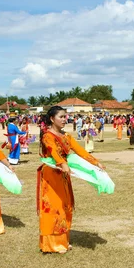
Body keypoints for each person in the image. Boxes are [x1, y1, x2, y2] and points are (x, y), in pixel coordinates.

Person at [37, 106, 106, 254]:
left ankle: (63, 241)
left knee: (65, 205)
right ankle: (52, 244)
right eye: (61, 117)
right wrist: (62, 164)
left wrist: (95, 162)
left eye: (65, 117)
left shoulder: (66, 136)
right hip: (52, 174)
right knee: (54, 207)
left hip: (64, 173)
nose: (64, 119)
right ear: (51, 119)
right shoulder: (47, 136)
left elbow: (79, 150)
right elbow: (54, 152)